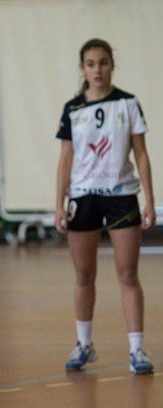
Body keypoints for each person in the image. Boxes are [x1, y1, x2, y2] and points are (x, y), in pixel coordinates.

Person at [54, 39, 155, 374]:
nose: (98, 70)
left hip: (120, 195)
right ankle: (84, 344)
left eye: (103, 63)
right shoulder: (72, 108)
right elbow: (65, 157)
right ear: (82, 68)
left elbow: (140, 153)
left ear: (113, 64)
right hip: (82, 197)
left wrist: (150, 201)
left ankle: (137, 350)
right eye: (91, 64)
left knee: (127, 274)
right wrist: (58, 204)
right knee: (84, 275)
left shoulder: (127, 103)